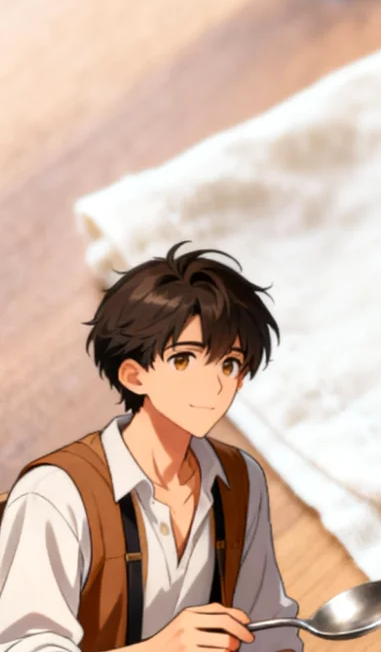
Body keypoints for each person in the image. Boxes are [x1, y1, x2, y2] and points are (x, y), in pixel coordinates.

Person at [0, 245, 301, 652]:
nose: (212, 385)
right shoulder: (56, 492)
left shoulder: (241, 480)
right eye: (183, 360)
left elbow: (269, 630)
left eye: (229, 364)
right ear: (134, 375)